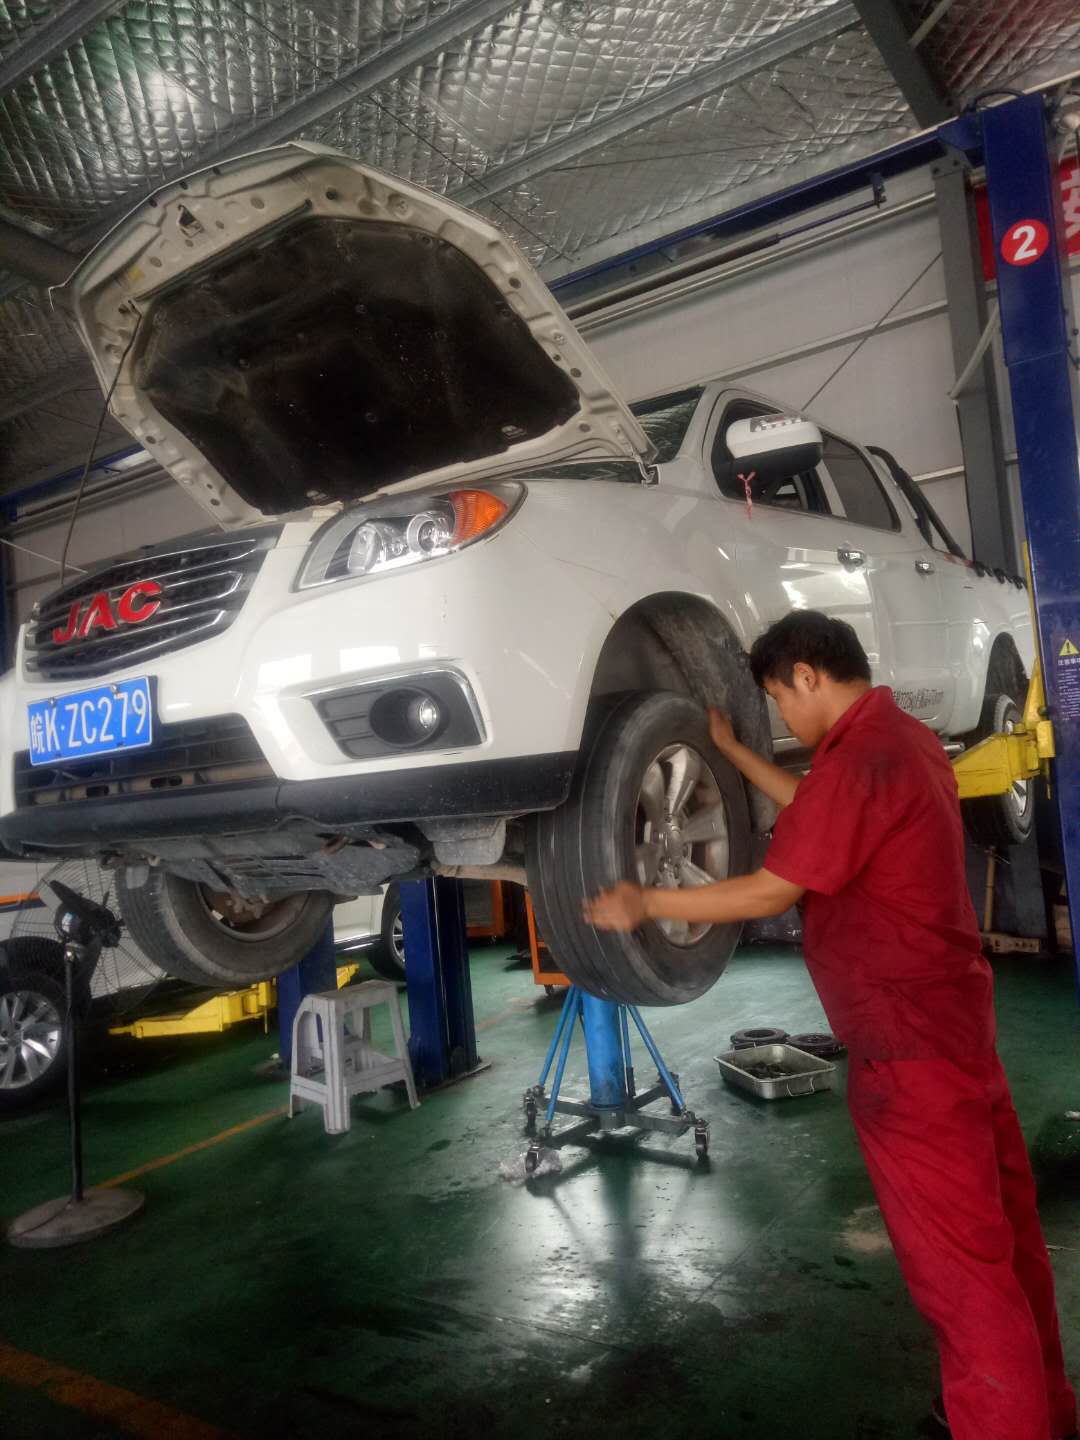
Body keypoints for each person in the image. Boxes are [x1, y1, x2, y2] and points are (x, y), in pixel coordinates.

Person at [585, 610, 1075, 1440]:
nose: (782, 713)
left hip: (908, 1056)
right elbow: (820, 809)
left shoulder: (859, 762)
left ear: (806, 676)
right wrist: (736, 753)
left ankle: (1003, 1425)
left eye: (780, 698)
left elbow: (773, 889)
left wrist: (646, 901)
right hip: (955, 1033)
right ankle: (1045, 1412)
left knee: (961, 1272)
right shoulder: (904, 742)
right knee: (1007, 1241)